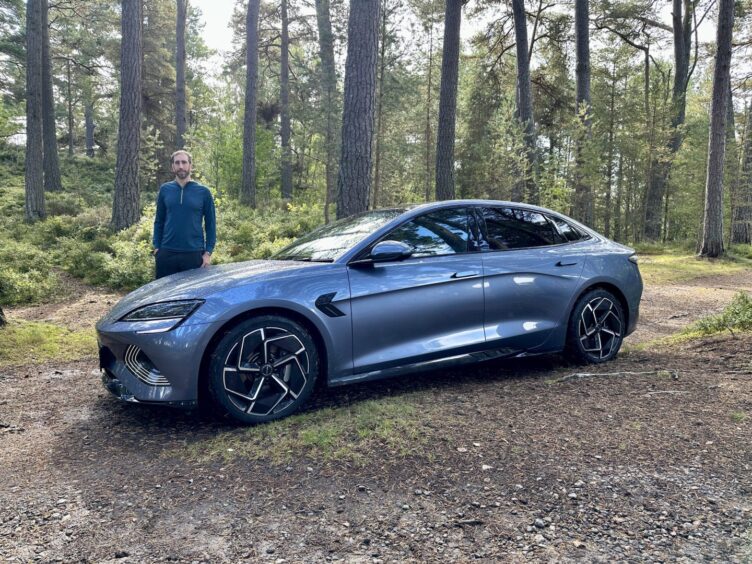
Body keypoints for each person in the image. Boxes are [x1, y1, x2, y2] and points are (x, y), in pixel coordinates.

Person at [152, 150, 216, 279]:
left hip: (193, 254)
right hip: (166, 253)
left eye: (184, 162)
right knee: (164, 296)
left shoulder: (203, 192)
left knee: (192, 297)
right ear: (173, 167)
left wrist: (208, 252)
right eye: (177, 163)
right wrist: (157, 247)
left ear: (190, 166)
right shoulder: (165, 190)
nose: (181, 166)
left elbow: (211, 225)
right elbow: (159, 220)